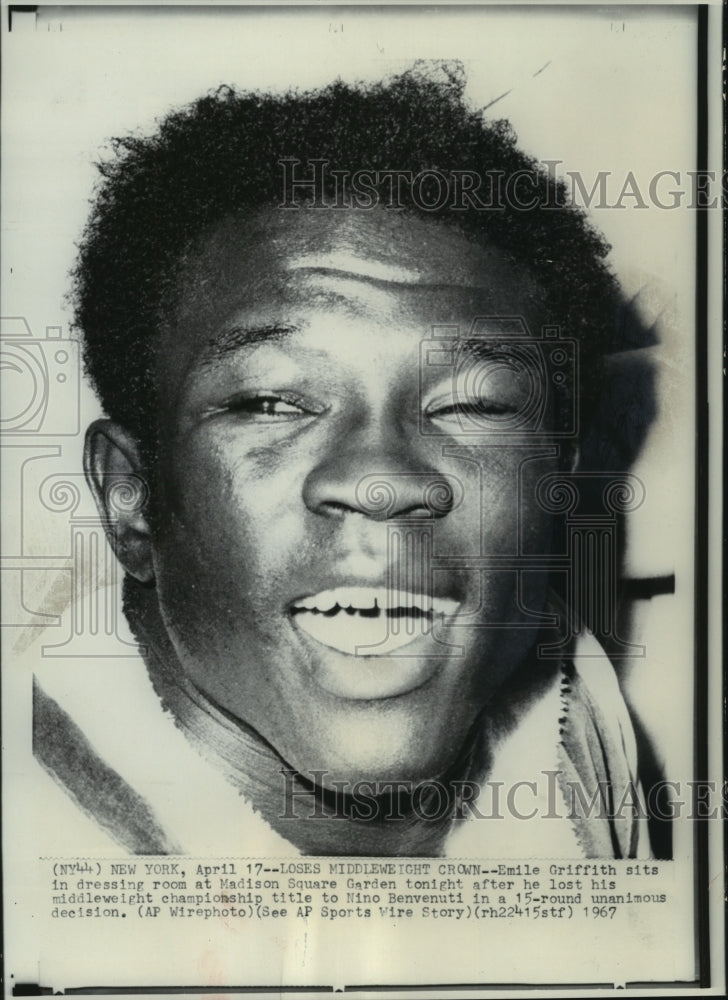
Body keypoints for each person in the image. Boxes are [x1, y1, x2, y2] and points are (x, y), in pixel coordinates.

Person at [32, 65, 656, 857]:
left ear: (557, 482)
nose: (382, 480)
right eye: (272, 401)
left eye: (476, 404)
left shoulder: (570, 705)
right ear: (132, 497)